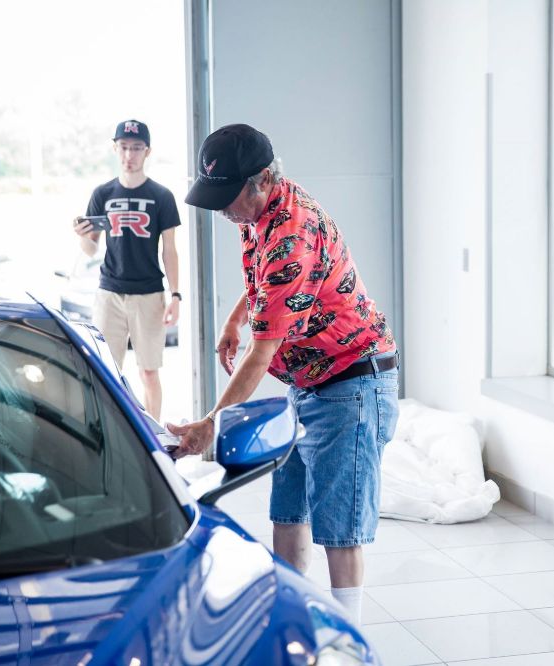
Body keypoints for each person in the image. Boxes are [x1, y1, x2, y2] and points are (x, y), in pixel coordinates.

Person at [169, 124, 399, 624]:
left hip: (351, 384)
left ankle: (346, 636)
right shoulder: (258, 217)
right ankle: (290, 618)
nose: (224, 211)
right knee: (287, 510)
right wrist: (234, 317)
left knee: (340, 529)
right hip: (306, 382)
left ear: (264, 180)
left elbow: (260, 353)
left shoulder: (294, 231)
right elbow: (264, 279)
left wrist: (210, 422)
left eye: (229, 198)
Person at [73, 119, 181, 420]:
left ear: (147, 151)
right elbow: (92, 248)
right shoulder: (103, 194)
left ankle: (154, 436)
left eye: (136, 148)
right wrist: (83, 237)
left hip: (149, 294)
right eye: (123, 147)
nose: (129, 155)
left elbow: (169, 249)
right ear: (115, 149)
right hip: (110, 293)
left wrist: (176, 295)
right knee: (106, 370)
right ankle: (105, 431)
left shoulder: (161, 196)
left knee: (149, 371)